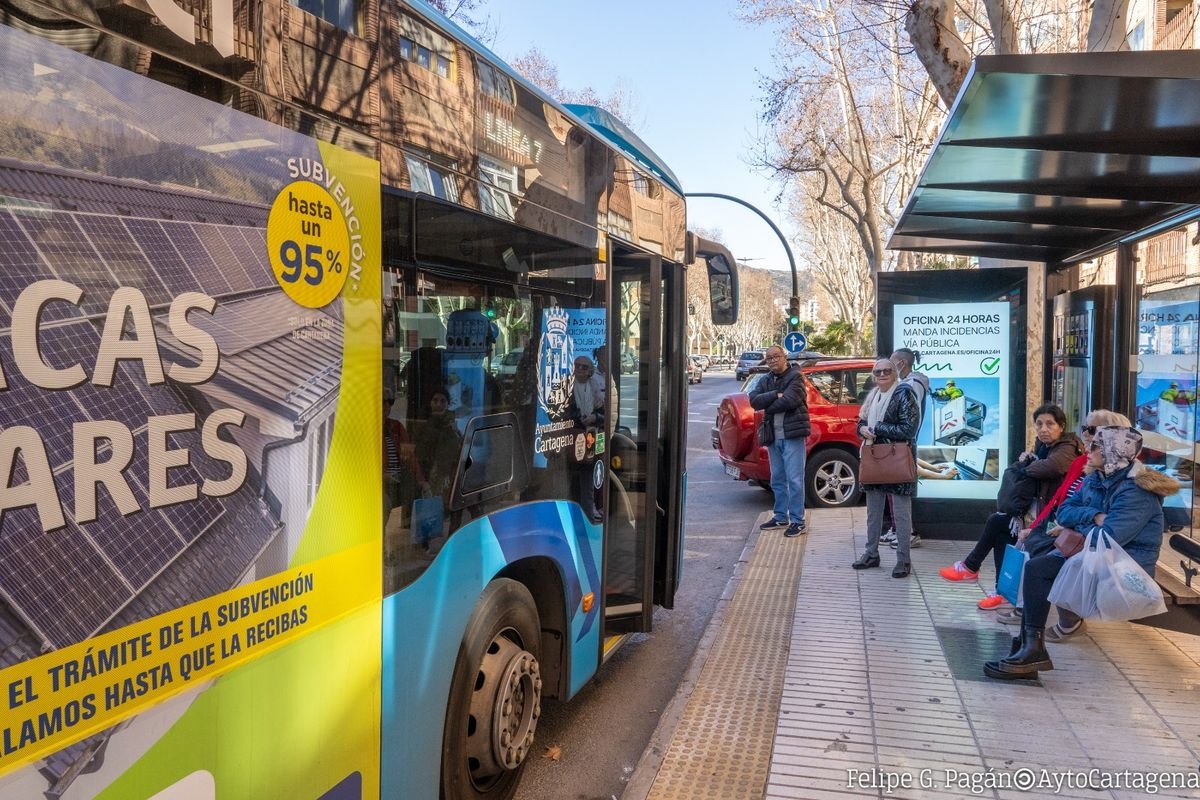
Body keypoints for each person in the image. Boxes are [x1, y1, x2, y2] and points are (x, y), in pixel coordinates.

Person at [984, 425, 1180, 679]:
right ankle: (1028, 644)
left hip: (1127, 569)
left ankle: (1031, 648)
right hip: (1096, 555)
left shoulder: (1136, 492)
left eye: (1096, 446)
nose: (1088, 450)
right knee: (1037, 565)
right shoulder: (1096, 478)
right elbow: (1064, 513)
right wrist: (1094, 515)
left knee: (1039, 569)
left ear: (1113, 452)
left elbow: (1109, 536)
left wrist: (1078, 525)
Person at [994, 410, 1132, 638]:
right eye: (1084, 428)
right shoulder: (1088, 467)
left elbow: (1112, 529)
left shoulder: (1122, 480)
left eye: (1091, 430)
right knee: (1023, 536)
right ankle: (1027, 623)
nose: (1085, 435)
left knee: (1041, 559)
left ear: (1112, 437)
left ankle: (1039, 630)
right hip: (1069, 529)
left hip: (1105, 549)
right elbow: (1064, 505)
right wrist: (1087, 516)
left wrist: (1073, 523)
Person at [939, 404, 1081, 608]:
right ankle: (998, 589)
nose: (1043, 429)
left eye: (1050, 424)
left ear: (1061, 426)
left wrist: (1026, 465)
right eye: (1039, 424)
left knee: (998, 522)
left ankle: (972, 568)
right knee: (1001, 529)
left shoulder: (1067, 447)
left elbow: (1051, 467)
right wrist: (1028, 462)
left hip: (1054, 520)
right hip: (1038, 514)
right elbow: (1032, 468)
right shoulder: (1044, 447)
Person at [851, 358, 921, 577]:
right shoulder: (874, 395)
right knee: (873, 512)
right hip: (874, 458)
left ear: (895, 372)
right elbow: (862, 422)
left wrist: (877, 428)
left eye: (886, 371)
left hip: (896, 459)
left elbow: (908, 429)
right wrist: (862, 430)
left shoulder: (904, 393)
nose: (882, 375)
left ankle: (903, 560)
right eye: (877, 372)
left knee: (901, 514)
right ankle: (871, 553)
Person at [748, 344, 810, 538]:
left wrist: (768, 404)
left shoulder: (796, 376)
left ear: (785, 357)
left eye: (776, 356)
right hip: (773, 437)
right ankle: (781, 516)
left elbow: (790, 401)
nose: (773, 360)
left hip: (792, 436)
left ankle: (798, 521)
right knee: (777, 479)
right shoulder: (766, 379)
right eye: (769, 358)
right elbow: (754, 401)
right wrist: (775, 395)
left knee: (795, 480)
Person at [881, 348, 930, 549]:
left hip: (904, 444)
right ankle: (897, 528)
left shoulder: (912, 385)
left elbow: (907, 416)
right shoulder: (907, 383)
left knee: (901, 491)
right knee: (893, 489)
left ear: (902, 363)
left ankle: (908, 532)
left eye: (892, 362)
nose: (888, 368)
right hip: (897, 443)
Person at [567, 355, 604, 522]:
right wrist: (578, 419)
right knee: (571, 480)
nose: (579, 369)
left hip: (590, 438)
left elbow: (604, 414)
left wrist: (594, 418)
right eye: (577, 365)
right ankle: (573, 517)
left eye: (584, 367)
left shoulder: (595, 387)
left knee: (588, 481)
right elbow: (558, 413)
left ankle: (588, 517)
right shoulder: (566, 387)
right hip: (572, 439)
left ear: (590, 371)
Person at [413, 388, 462, 502]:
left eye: (442, 401)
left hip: (447, 475)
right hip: (426, 474)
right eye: (435, 400)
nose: (438, 404)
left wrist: (455, 431)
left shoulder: (452, 424)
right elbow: (419, 450)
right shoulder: (422, 422)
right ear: (430, 403)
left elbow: (457, 449)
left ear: (448, 404)